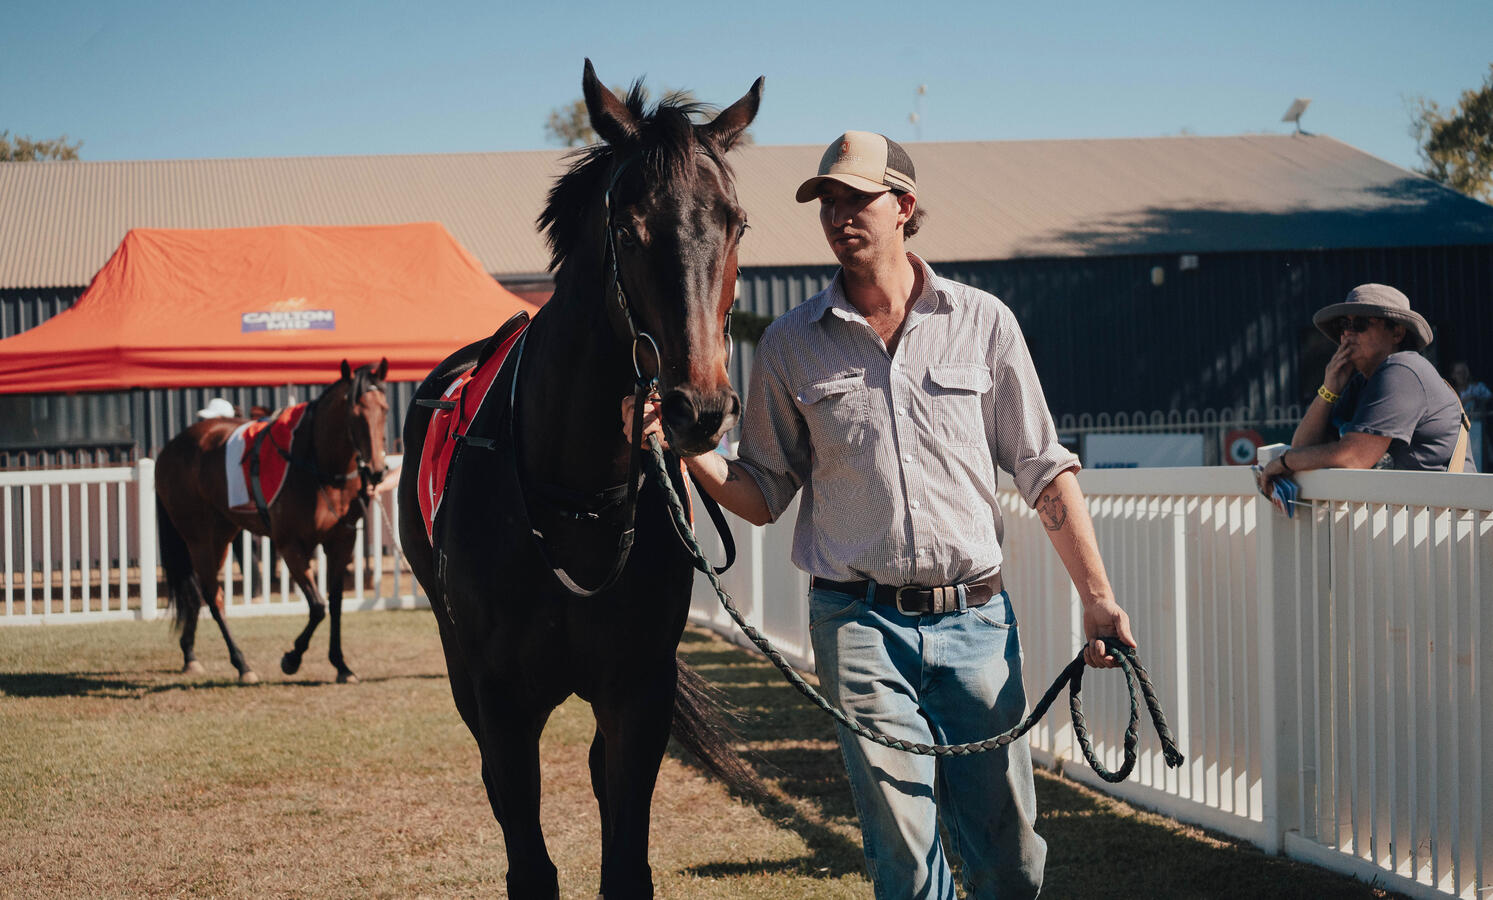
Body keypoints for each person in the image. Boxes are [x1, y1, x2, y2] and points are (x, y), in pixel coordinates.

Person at [627, 130, 1134, 899]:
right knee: (901, 846)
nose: (839, 216)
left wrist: (1097, 598)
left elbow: (1043, 469)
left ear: (903, 205)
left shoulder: (983, 322)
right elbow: (762, 495)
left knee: (1008, 852)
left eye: (856, 198)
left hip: (976, 623)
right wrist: (686, 450)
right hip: (857, 624)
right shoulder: (794, 344)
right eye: (827, 202)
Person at [1257, 283, 1474, 490]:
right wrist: (1328, 390)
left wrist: (1285, 462)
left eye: (1360, 324)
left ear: (1397, 333)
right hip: (1420, 518)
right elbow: (1303, 448)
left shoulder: (1403, 368)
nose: (1348, 333)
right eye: (1344, 325)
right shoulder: (1363, 382)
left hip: (1449, 521)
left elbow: (1355, 456)